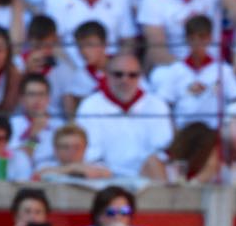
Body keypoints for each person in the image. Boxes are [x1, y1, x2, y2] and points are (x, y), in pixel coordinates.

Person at [73, 50, 174, 179]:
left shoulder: (157, 105)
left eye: (132, 75)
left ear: (140, 77)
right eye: (118, 74)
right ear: (106, 75)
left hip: (148, 178)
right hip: (106, 179)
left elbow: (162, 150)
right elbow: (90, 154)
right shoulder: (90, 105)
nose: (125, 80)